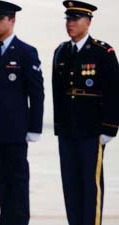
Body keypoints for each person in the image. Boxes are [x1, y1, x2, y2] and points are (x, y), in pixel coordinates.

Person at [0, 1, 44, 225]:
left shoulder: (26, 52)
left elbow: (36, 92)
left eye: (0, 18)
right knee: (1, 181)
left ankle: (19, 221)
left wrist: (34, 128)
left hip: (15, 131)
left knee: (18, 183)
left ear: (12, 20)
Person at [52, 1, 119, 225]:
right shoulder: (61, 51)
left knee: (90, 186)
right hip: (68, 131)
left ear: (88, 22)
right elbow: (57, 91)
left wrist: (110, 127)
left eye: (76, 19)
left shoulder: (102, 52)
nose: (70, 24)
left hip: (92, 130)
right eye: (68, 19)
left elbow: (113, 91)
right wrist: (59, 127)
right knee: (70, 184)